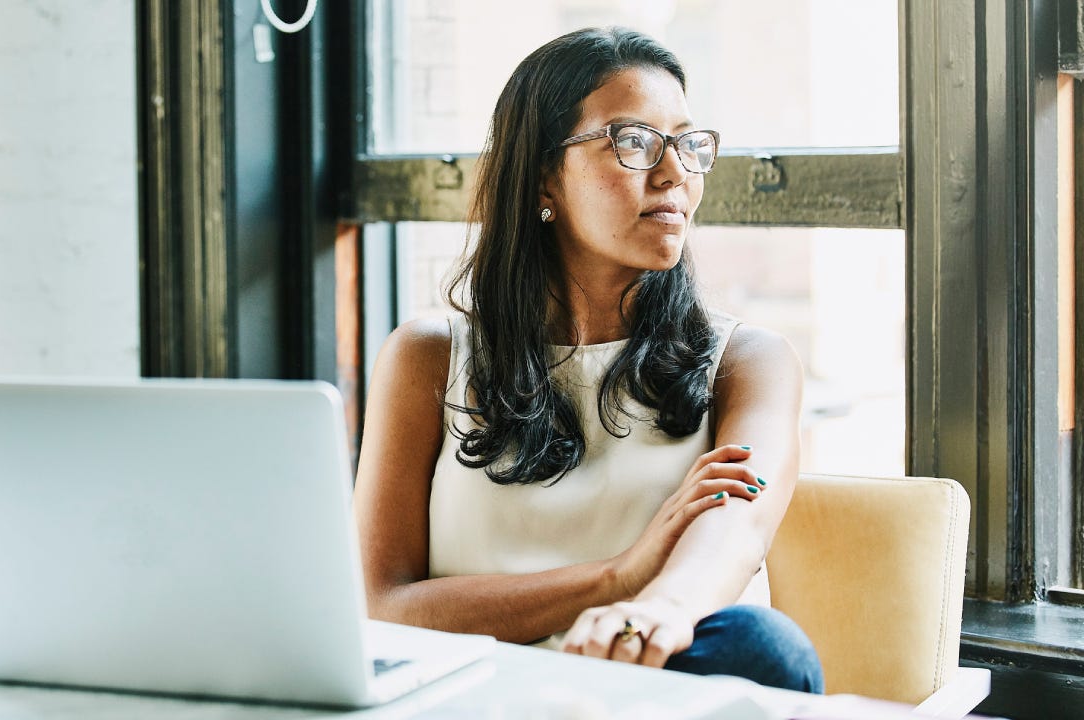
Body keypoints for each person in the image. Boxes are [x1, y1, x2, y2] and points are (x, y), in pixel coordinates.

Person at [352, 26, 824, 693]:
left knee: (760, 647)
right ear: (545, 173)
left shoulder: (747, 361)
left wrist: (657, 605)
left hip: (648, 686)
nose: (675, 172)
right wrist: (617, 577)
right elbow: (381, 607)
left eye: (689, 143)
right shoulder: (427, 358)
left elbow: (737, 530)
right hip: (478, 700)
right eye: (633, 141)